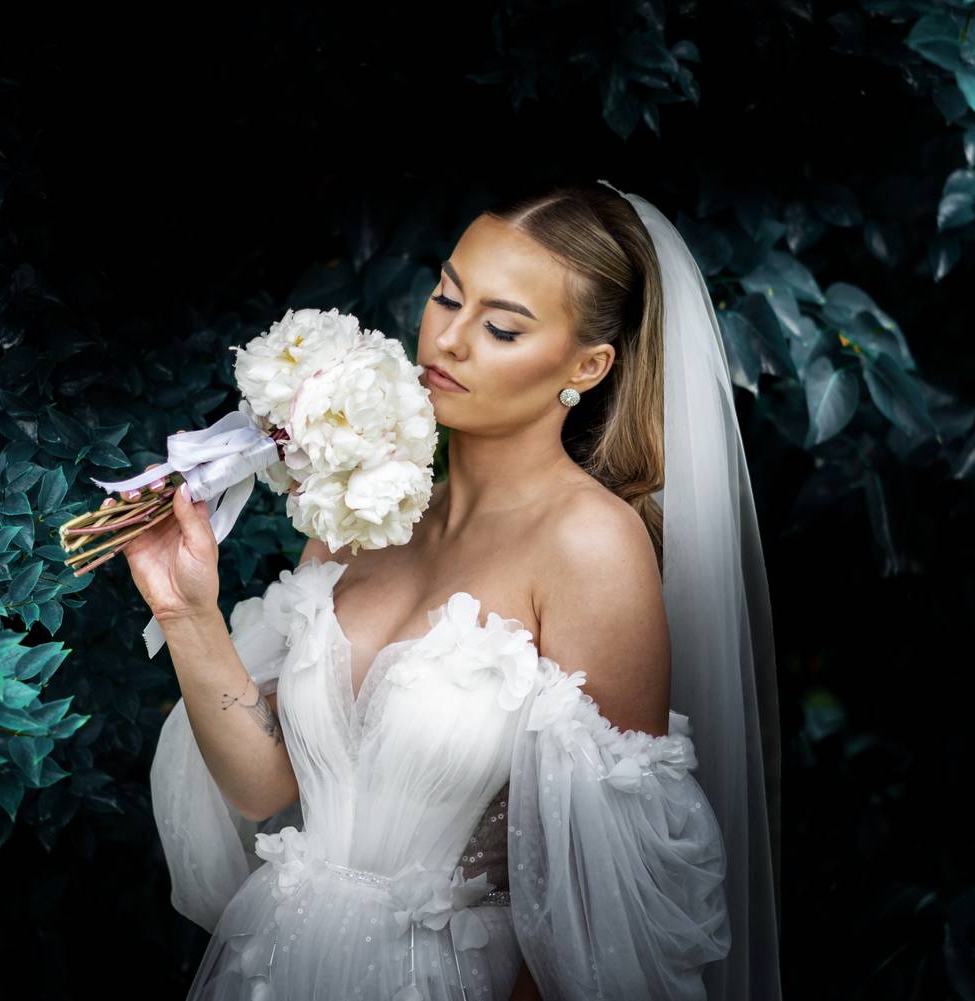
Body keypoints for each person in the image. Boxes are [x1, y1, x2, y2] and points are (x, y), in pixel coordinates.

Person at [121, 179, 783, 1000]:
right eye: (447, 296)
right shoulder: (361, 510)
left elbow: (601, 904)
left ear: (587, 366)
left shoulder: (590, 545)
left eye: (502, 326)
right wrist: (185, 609)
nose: (450, 339)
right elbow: (264, 783)